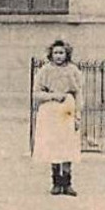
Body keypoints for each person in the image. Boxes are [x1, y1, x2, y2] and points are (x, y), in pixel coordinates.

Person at [32, 38, 83, 196]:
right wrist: (53, 96)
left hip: (67, 108)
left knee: (68, 144)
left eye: (61, 53)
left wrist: (77, 115)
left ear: (67, 54)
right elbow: (36, 94)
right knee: (53, 145)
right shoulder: (44, 71)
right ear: (51, 55)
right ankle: (56, 182)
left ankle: (67, 183)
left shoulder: (73, 70)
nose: (58, 56)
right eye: (55, 53)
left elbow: (78, 93)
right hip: (50, 110)